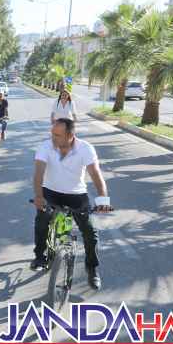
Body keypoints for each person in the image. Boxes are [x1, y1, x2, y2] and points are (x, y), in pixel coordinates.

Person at [32, 118, 111, 289]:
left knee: (90, 231)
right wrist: (39, 196)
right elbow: (39, 172)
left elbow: (96, 174)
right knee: (41, 220)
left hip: (76, 195)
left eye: (57, 135)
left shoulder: (85, 149)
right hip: (50, 192)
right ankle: (39, 256)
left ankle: (92, 268)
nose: (53, 137)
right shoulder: (46, 146)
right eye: (52, 133)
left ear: (70, 135)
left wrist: (103, 199)